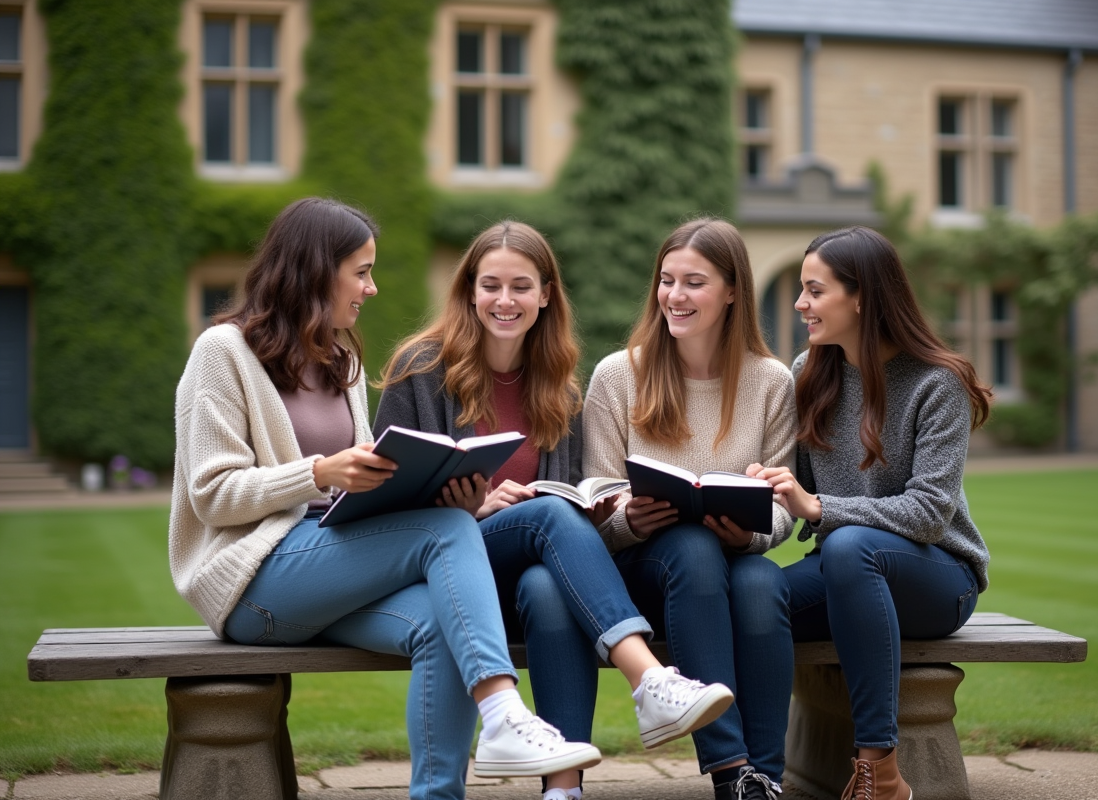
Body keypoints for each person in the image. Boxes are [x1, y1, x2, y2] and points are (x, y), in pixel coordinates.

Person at [168, 198, 602, 800]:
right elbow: (213, 495)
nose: (371, 288)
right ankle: (502, 711)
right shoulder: (222, 353)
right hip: (254, 582)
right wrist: (320, 472)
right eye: (362, 272)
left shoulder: (340, 359)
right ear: (318, 272)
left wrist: (423, 487)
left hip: (329, 566)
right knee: (446, 530)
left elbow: (364, 485)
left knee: (445, 620)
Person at [373, 220, 734, 800]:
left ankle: (563, 789)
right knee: (547, 520)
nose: (505, 300)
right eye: (491, 286)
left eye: (521, 287)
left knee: (547, 584)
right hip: (443, 573)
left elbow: (561, 496)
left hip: (524, 581)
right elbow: (383, 500)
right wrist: (473, 509)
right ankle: (649, 679)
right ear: (469, 291)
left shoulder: (559, 386)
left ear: (545, 295)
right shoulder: (420, 369)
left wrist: (593, 511)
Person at [751, 226, 993, 800]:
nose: (800, 303)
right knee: (753, 590)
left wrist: (819, 507)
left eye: (815, 290)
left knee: (847, 545)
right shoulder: (809, 371)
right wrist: (751, 497)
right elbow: (797, 494)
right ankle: (757, 773)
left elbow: (929, 514)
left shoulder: (938, 382)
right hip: (848, 572)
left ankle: (879, 771)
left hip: (940, 578)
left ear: (861, 296)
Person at [583, 218, 797, 800]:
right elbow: (593, 500)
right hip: (641, 576)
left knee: (762, 581)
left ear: (732, 292)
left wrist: (748, 536)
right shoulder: (617, 375)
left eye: (694, 283)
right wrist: (627, 519)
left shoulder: (771, 382)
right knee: (692, 545)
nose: (674, 296)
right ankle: (731, 769)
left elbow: (783, 503)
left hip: (732, 565)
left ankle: (764, 780)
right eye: (666, 280)